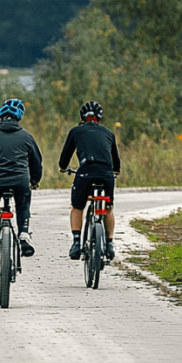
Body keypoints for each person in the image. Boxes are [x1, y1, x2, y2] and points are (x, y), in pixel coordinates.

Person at [0, 98, 43, 271]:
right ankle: (24, 235)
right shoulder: (27, 136)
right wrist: (34, 181)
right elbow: (36, 162)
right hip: (20, 181)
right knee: (22, 205)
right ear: (19, 117)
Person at [58, 101, 121, 261]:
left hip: (85, 173)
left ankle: (77, 243)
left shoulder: (76, 131)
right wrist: (115, 171)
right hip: (106, 174)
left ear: (82, 117)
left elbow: (65, 157)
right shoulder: (109, 133)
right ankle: (109, 243)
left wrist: (63, 168)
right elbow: (116, 162)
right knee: (107, 208)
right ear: (99, 118)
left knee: (77, 207)